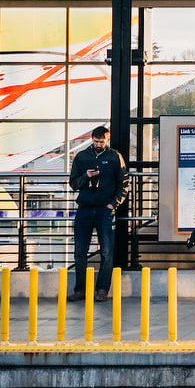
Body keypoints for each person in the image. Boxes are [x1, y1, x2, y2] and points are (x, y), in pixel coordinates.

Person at [68, 124, 128, 302]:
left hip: (105, 210)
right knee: (80, 251)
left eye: (102, 142)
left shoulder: (115, 157)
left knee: (107, 252)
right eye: (96, 141)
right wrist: (86, 176)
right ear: (91, 139)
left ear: (107, 140)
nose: (98, 144)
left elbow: (124, 183)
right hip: (85, 208)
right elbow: (73, 183)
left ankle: (102, 289)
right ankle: (80, 290)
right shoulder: (82, 157)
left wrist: (113, 204)